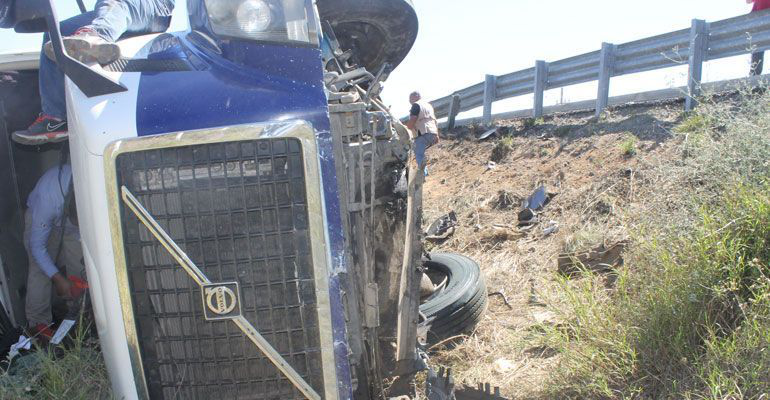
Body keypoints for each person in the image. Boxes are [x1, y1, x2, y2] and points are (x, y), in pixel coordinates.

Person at [12, 0, 176, 145]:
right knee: (55, 35)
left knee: (113, 3)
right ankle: (55, 118)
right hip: (114, 12)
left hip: (153, 7)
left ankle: (95, 36)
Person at [24, 164, 84, 341]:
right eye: (74, 220)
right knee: (40, 270)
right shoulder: (48, 198)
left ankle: (79, 314)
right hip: (43, 221)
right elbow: (37, 248)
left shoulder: (88, 185)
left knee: (80, 264)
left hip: (73, 218)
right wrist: (57, 279)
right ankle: (38, 325)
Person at [405, 91, 440, 171]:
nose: (410, 101)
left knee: (418, 153)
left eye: (410, 98)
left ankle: (423, 174)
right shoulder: (429, 106)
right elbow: (434, 120)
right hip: (433, 133)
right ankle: (423, 170)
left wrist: (407, 129)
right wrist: (437, 135)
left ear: (416, 96)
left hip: (422, 133)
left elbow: (413, 119)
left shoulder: (416, 105)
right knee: (420, 152)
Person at [748, 0, 770, 76]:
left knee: (757, 54)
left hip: (759, 25)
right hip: (759, 26)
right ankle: (754, 80)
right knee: (757, 54)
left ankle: (754, 80)